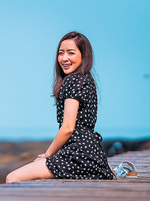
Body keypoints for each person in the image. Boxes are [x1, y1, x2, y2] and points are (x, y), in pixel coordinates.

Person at [6, 31, 116, 183]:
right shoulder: (86, 80)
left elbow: (68, 128)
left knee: (12, 178)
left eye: (71, 53)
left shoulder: (73, 81)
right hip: (91, 154)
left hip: (78, 155)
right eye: (60, 53)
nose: (64, 58)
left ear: (84, 56)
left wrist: (48, 154)